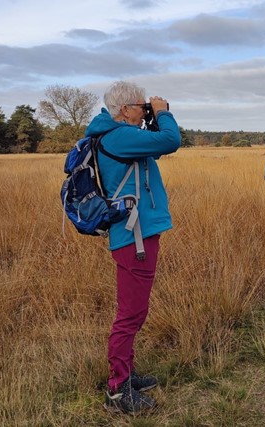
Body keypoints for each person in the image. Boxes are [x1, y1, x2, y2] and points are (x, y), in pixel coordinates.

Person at [84, 81, 181, 414]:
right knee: (130, 315)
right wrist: (164, 113)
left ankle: (126, 374)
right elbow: (171, 140)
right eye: (141, 107)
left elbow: (155, 146)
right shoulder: (119, 136)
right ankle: (118, 391)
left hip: (135, 232)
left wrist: (153, 117)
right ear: (124, 110)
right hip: (133, 236)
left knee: (134, 311)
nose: (145, 111)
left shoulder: (120, 136)